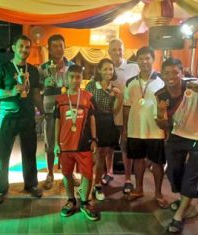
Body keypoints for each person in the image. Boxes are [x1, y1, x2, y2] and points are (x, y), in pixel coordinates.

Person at [155, 57, 198, 233]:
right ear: (162, 75)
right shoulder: (161, 94)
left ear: (182, 72)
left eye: (175, 72)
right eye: (167, 73)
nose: (171, 76)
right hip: (178, 135)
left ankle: (179, 215)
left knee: (193, 175)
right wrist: (161, 115)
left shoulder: (195, 85)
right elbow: (162, 125)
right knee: (173, 172)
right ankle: (184, 198)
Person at [0, 34, 44, 204]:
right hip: (8, 117)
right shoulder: (2, 68)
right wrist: (11, 92)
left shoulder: (33, 70)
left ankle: (31, 185)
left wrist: (42, 111)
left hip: (28, 116)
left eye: (27, 47)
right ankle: (1, 187)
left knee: (30, 153)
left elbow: (35, 93)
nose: (24, 49)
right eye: (21, 46)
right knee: (3, 154)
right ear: (13, 47)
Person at [123, 47, 168, 208]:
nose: (144, 62)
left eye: (147, 58)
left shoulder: (163, 80)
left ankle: (158, 193)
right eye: (141, 59)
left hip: (156, 130)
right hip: (135, 129)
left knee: (157, 163)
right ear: (137, 61)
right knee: (137, 161)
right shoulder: (130, 82)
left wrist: (167, 129)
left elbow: (169, 107)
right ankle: (139, 189)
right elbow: (127, 107)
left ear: (153, 59)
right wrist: (125, 130)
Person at [54, 64, 99, 221]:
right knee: (67, 173)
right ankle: (71, 200)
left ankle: (85, 202)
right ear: (66, 78)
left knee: (87, 174)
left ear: (82, 78)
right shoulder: (60, 99)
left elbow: (93, 119)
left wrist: (94, 139)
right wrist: (55, 143)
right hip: (65, 144)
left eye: (78, 77)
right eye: (71, 77)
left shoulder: (88, 97)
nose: (74, 80)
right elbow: (57, 122)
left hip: (84, 144)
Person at [39, 34, 74, 190]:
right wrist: (43, 86)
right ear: (49, 49)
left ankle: (68, 172)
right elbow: (37, 90)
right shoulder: (42, 68)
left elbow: (77, 88)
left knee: (69, 143)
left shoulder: (72, 67)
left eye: (61, 45)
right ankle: (50, 172)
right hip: (49, 111)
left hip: (68, 111)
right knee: (50, 144)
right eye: (55, 46)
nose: (59, 49)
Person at [85, 58, 123, 201]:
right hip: (93, 122)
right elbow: (86, 106)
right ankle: (86, 183)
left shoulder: (114, 88)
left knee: (102, 155)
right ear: (99, 70)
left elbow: (114, 110)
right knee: (91, 156)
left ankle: (97, 185)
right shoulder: (91, 86)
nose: (108, 72)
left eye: (111, 69)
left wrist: (119, 97)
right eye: (105, 69)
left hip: (107, 123)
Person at [108, 39, 139, 192]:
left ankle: (128, 178)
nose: (117, 52)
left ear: (123, 50)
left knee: (126, 146)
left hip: (128, 115)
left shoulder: (134, 67)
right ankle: (109, 172)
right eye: (113, 49)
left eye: (119, 49)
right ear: (108, 52)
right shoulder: (106, 67)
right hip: (110, 114)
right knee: (108, 146)